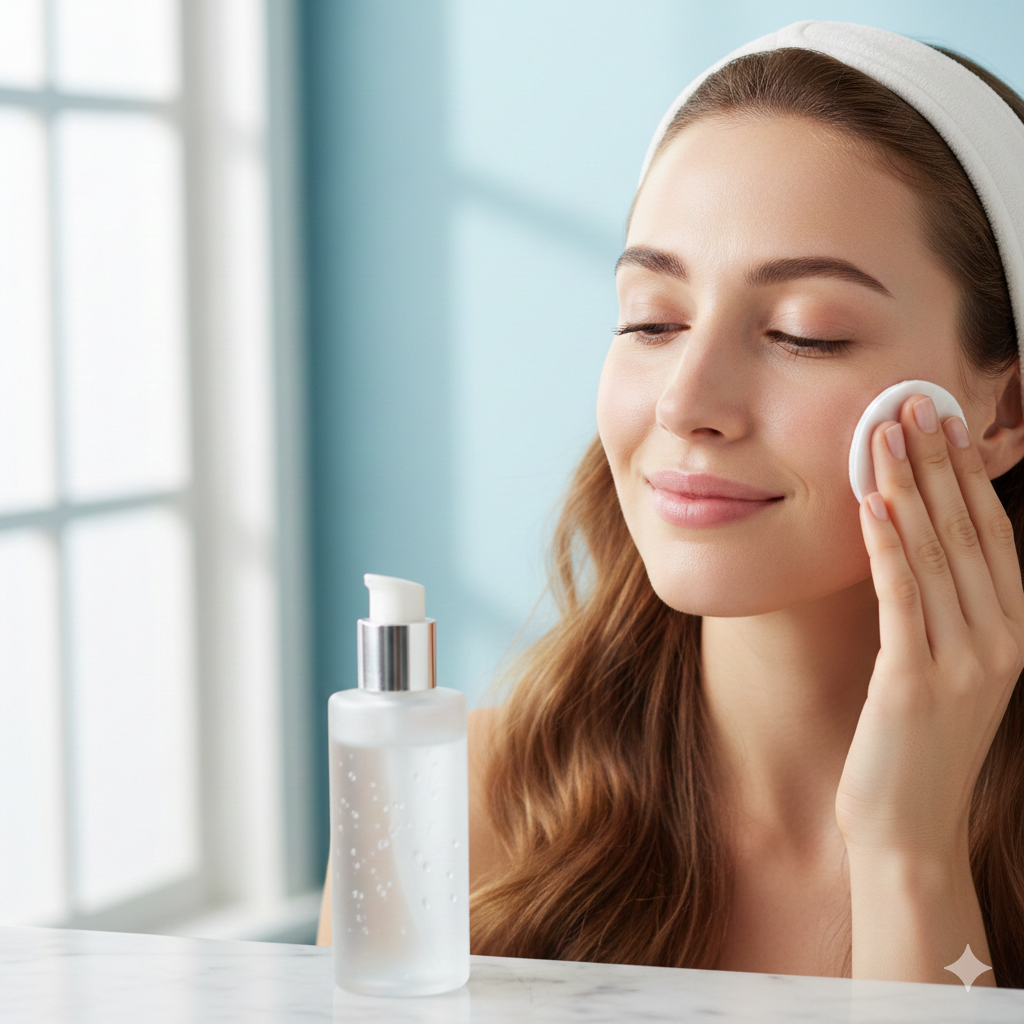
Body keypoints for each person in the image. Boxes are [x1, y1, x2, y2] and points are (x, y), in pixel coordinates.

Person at [318, 22, 1024, 985]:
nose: (686, 404)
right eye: (652, 320)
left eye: (804, 334)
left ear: (1002, 410)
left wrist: (910, 848)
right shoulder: (462, 797)